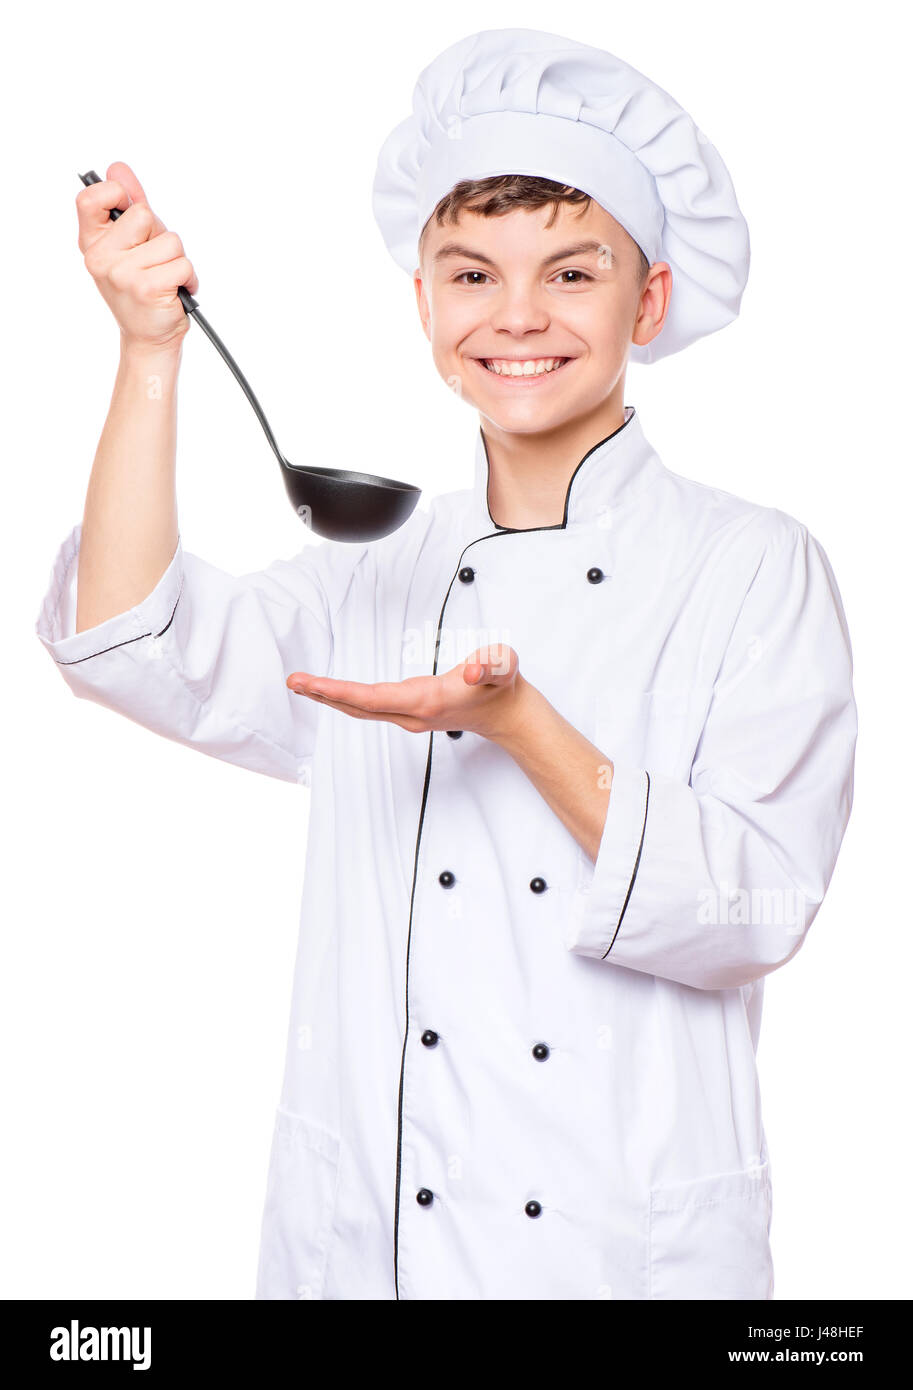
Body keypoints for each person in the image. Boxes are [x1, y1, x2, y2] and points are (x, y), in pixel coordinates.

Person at [35, 27, 857, 1300]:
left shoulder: (749, 566)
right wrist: (151, 351)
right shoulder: (379, 566)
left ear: (648, 300)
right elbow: (131, 635)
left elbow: (752, 909)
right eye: (471, 273)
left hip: (617, 1254)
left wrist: (521, 724)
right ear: (421, 300)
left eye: (571, 274)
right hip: (365, 1245)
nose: (515, 317)